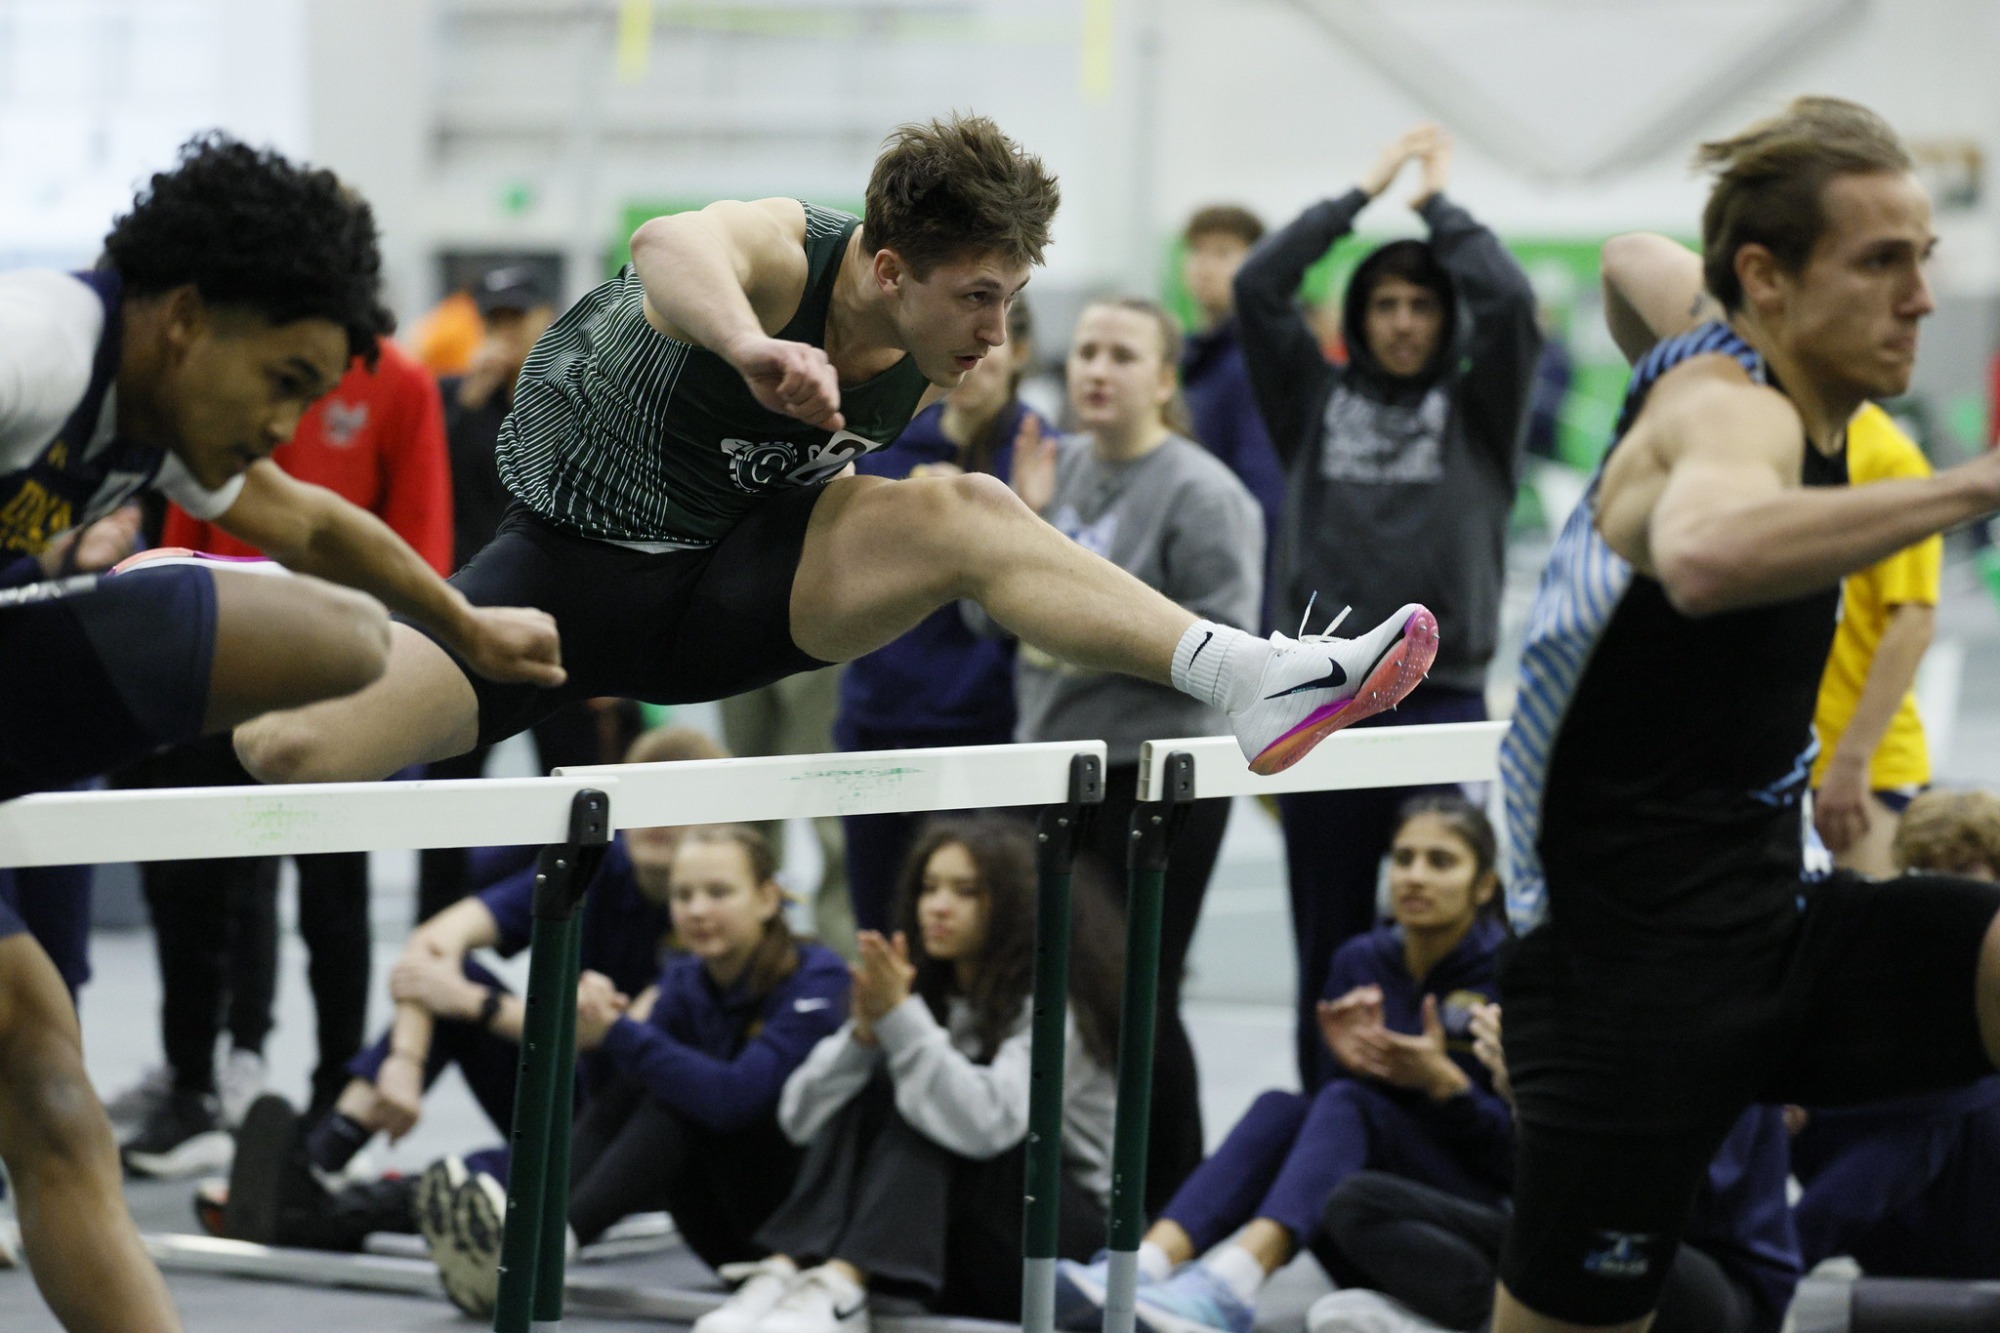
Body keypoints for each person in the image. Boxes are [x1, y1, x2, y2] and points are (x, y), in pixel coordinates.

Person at [234, 114, 1440, 798]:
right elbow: (666, 244)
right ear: (884, 268)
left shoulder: (946, 350)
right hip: (561, 584)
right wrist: (755, 346)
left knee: (962, 512)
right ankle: (184, 603)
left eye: (1012, 300)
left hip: (738, 586)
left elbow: (974, 506)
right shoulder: (782, 253)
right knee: (288, 752)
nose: (995, 334)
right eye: (977, 297)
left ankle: (1252, 678)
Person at [0, 133, 553, 1333]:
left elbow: (309, 524)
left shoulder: (159, 416)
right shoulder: (38, 347)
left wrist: (466, 624)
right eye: (285, 380)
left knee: (51, 1096)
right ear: (186, 317)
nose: (287, 423)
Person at [1496, 97, 2000, 1333]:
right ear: (1770, 279)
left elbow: (1629, 260)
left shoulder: (1720, 340)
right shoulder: (1729, 412)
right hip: (1621, 997)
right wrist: (1974, 484)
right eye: (1879, 264)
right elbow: (1707, 551)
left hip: (1782, 929)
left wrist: (1714, 295)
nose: (1920, 299)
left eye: (1921, 260)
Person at [1233, 123, 1539, 1087]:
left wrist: (1438, 207)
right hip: (1321, 706)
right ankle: (1325, 1136)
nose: (1404, 322)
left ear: (1445, 320)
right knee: (1327, 942)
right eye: (1386, 304)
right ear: (1359, 316)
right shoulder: (1311, 402)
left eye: (1422, 305)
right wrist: (1362, 192)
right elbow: (1257, 286)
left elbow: (1512, 300)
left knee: (1446, 937)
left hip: (1441, 700)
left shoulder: (1481, 408)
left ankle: (1435, 1133)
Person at [117, 331, 457, 1177]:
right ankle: (194, 1084)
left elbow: (421, 536)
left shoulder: (401, 381)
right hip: (222, 653)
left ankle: (331, 1096)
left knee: (331, 898)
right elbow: (196, 508)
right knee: (196, 881)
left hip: (342, 666)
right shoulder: (235, 367)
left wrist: (397, 649)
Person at [209, 725, 720, 1253]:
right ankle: (319, 1161)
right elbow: (436, 938)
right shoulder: (602, 865)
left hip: (633, 1134)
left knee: (480, 1176)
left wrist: (474, 1004)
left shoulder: (708, 913)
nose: (657, 821)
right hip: (570, 1091)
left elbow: (611, 1034)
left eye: (674, 803)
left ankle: (327, 1210)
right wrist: (404, 1062)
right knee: (455, 984)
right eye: (645, 799)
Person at [1054, 795, 1510, 1333]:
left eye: (1441, 861)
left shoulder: (1508, 977)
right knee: (1285, 1107)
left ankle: (1229, 1287)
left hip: (1467, 1225)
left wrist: (1448, 1086)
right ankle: (1139, 1267)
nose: (1415, 876)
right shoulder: (1361, 961)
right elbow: (1329, 1125)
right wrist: (1343, 1062)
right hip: (1359, 1209)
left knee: (1346, 1103)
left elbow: (1520, 1162)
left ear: (1483, 885)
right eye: (1404, 858)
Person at [1002, 295, 1262, 1206]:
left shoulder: (1202, 492)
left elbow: (1229, 650)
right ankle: (1093, 1191)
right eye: (1085, 353)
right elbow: (975, 611)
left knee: (1139, 995)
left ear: (1163, 378)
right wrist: (1023, 529)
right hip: (1053, 765)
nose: (1096, 370)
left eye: (1122, 354)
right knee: (1074, 996)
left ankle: (1176, 1210)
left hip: (1156, 776)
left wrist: (1078, 631)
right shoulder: (1053, 469)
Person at [693, 817, 1123, 1332]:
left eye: (966, 892)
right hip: (953, 1240)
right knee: (884, 1080)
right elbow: (799, 1118)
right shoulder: (920, 993)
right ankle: (794, 1267)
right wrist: (862, 1038)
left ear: (1016, 905)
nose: (937, 906)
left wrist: (902, 1021)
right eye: (929, 887)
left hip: (1059, 1245)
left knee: (931, 1098)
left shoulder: (1055, 1004)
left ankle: (844, 1285)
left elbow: (987, 1125)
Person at [419, 822, 851, 1317]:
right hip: (720, 1233)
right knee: (654, 1084)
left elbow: (735, 1100)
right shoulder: (685, 978)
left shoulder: (819, 978)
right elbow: (614, 1100)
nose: (698, 910)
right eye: (683, 895)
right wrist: (599, 1023)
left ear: (768, 898)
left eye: (719, 892)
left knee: (686, 1098)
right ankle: (532, 1230)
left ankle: (546, 1247)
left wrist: (618, 1032)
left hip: (796, 1232)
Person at [1306, 1006, 1800, 1333]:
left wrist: (1535, 1099)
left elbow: (1661, 1210)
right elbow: (1535, 1182)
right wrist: (1522, 1102)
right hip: (1572, 1239)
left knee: (1610, 1241)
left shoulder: (1716, 1037)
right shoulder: (1583, 1016)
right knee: (1355, 1203)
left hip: (1709, 1284)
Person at [835, 296, 1049, 932]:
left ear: (1023, 354)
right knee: (883, 924)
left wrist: (1023, 521)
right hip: (880, 719)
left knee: (983, 932)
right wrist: (905, 515)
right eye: (962, 342)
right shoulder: (886, 441)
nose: (976, 360)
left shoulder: (1043, 454)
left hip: (990, 725)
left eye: (995, 345)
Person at [417, 264, 602, 923]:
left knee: (577, 787)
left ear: (542, 319)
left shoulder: (576, 395)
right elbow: (427, 491)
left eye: (513, 319)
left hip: (563, 620)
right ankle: (433, 940)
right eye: (490, 320)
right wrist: (467, 402)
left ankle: (574, 933)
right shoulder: (450, 400)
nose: (501, 333)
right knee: (446, 790)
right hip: (468, 617)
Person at [1784, 789, 2000, 1280]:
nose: (1944, 893)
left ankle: (1774, 1265)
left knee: (1946, 1104)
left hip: (1973, 1214)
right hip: (1900, 1207)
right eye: (1926, 874)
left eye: (1964, 873)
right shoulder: (1894, 956)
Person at [1809, 402, 1941, 875]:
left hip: (1864, 770)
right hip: (1777, 762)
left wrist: (1851, 760)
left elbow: (1913, 623)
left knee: (1872, 938)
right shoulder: (1777, 435)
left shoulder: (1889, 458)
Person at [1178, 204, 1283, 616]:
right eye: (1198, 251)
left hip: (1238, 589)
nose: (1206, 265)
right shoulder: (1191, 358)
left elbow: (1262, 497)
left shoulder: (1256, 360)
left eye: (1223, 252)